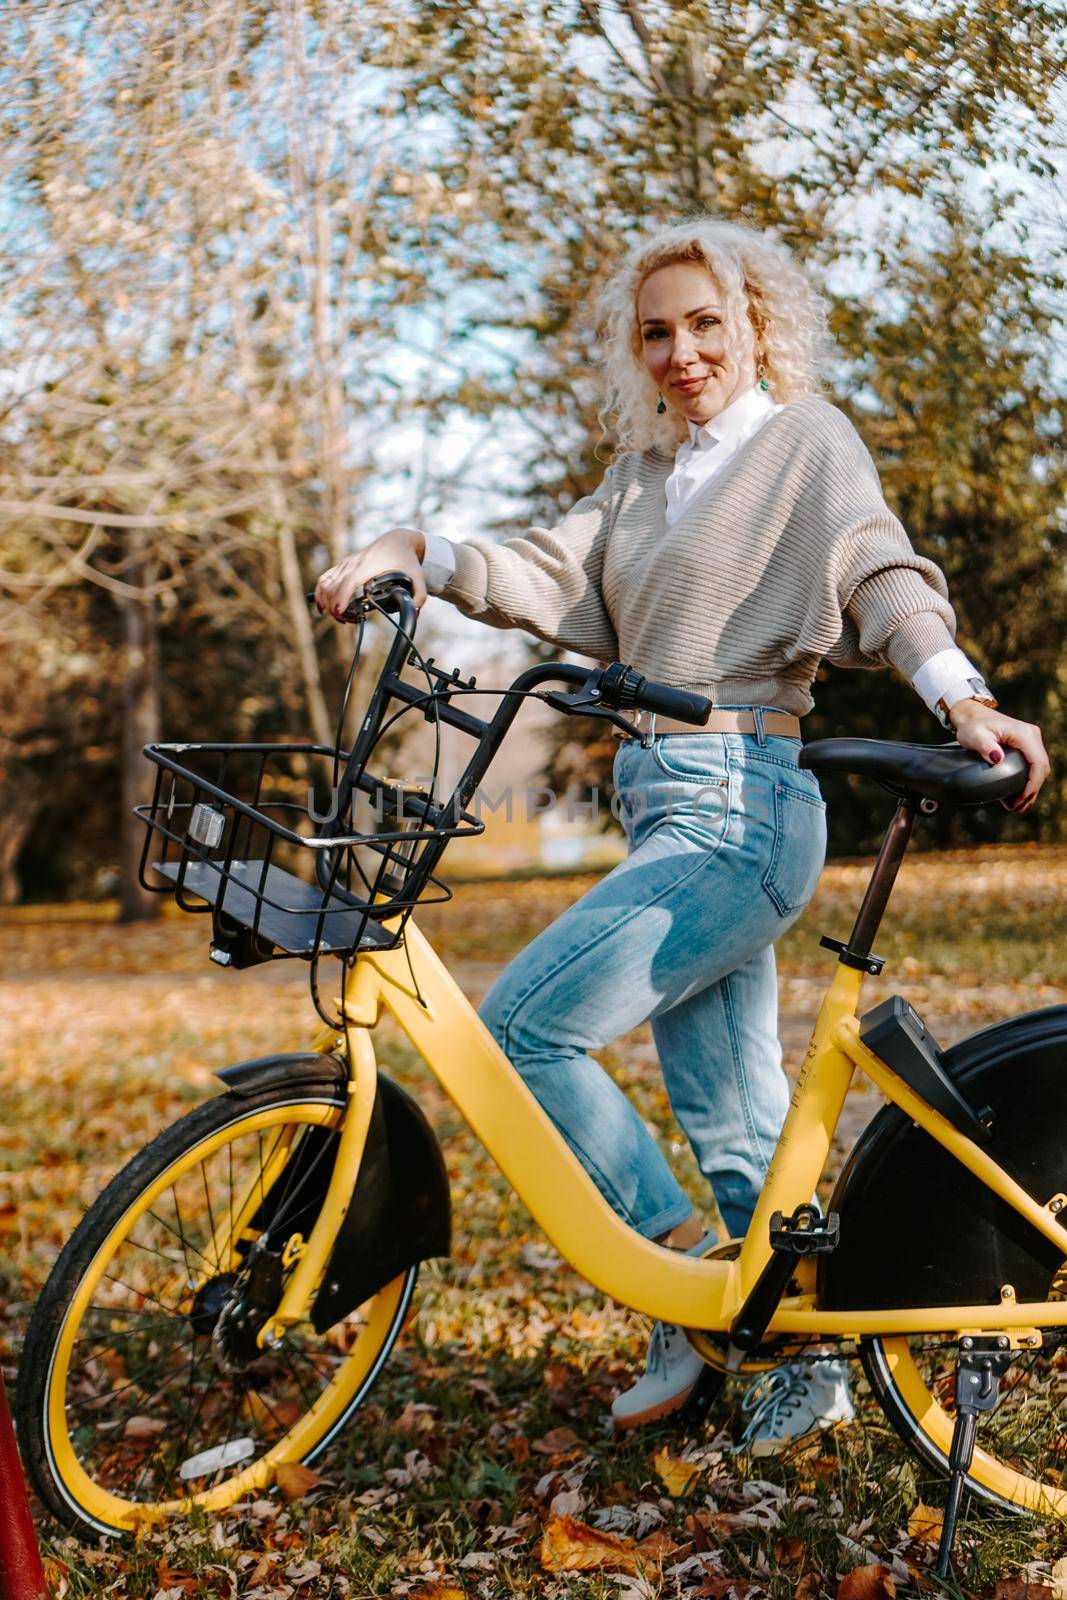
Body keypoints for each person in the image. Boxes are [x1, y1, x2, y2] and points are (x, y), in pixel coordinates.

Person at [315, 218, 1049, 1450]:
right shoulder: (640, 482)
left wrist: (959, 694)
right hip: (666, 803)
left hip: (743, 805)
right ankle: (777, 1342)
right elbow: (539, 571)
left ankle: (671, 1279)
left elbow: (876, 569)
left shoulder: (801, 443)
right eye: (656, 331)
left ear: (756, 323)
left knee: (522, 1032)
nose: (681, 350)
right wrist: (411, 549)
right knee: (730, 1108)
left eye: (705, 321)